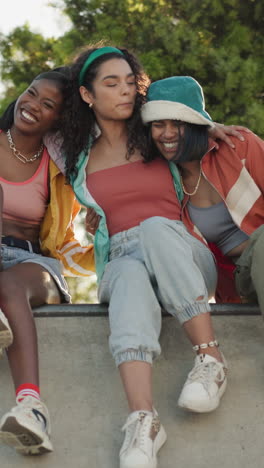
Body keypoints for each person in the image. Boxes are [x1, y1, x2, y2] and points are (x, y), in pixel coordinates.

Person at [52, 45, 246, 468]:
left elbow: (197, 139)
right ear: (87, 95)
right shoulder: (77, 160)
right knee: (125, 271)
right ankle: (143, 421)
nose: (125, 91)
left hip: (183, 255)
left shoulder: (159, 139)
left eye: (129, 82)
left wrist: (209, 129)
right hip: (124, 262)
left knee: (155, 228)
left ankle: (210, 358)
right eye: (111, 83)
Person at [0, 70, 94, 456]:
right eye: (31, 93)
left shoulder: (63, 170)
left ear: (60, 119)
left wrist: (102, 221)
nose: (32, 105)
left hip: (31, 263)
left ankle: (31, 408)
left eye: (47, 104)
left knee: (6, 287)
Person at [141, 75, 264, 308]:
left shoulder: (239, 146)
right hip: (232, 284)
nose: (167, 134)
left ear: (197, 125)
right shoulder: (161, 180)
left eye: (178, 123)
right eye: (158, 124)